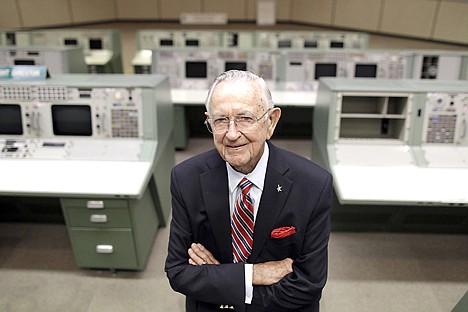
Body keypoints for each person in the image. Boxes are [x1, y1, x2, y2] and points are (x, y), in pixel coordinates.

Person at [165, 70, 333, 312]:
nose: (232, 134)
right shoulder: (186, 178)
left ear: (271, 122)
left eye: (245, 118)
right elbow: (178, 271)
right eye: (221, 120)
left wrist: (223, 285)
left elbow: (308, 283)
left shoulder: (313, 185)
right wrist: (252, 274)